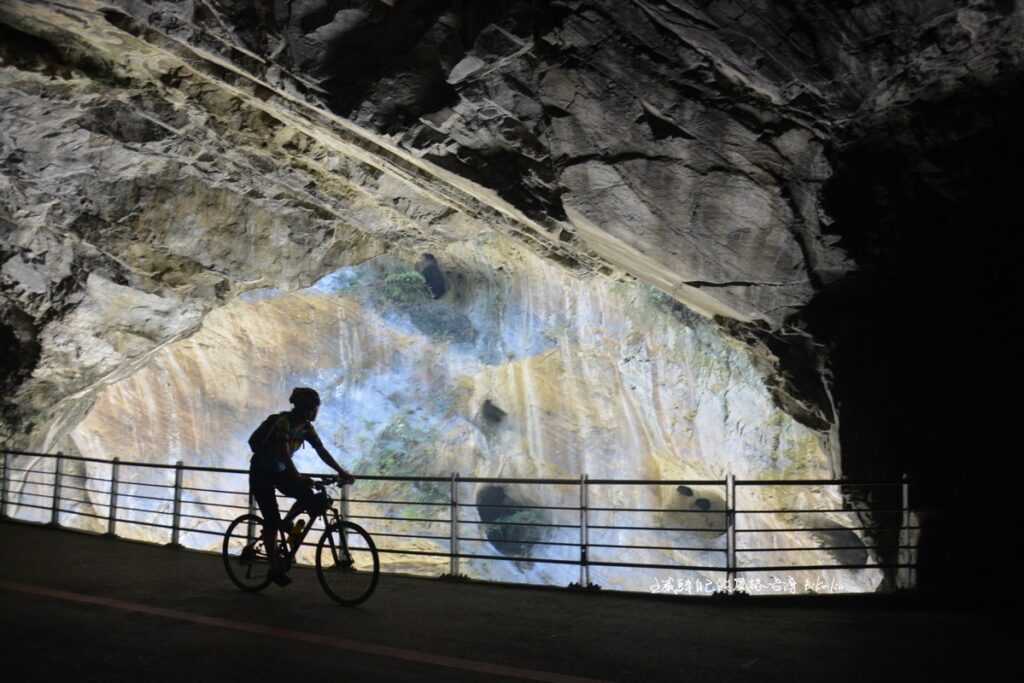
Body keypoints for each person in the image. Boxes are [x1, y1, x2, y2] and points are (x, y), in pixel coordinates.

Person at [248, 387, 355, 586]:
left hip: (279, 471)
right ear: (306, 408)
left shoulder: (306, 428)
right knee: (271, 518)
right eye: (315, 408)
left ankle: (287, 524)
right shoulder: (283, 423)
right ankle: (274, 567)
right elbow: (284, 454)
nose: (317, 412)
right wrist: (297, 476)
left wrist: (341, 472)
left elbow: (321, 451)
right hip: (261, 472)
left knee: (310, 497)